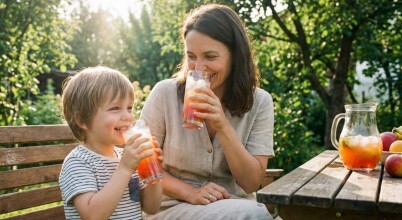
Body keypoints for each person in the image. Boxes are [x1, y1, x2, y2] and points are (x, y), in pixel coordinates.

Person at [141, 4, 274, 220]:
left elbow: (250, 182)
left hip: (236, 205)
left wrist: (222, 125)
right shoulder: (165, 94)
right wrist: (190, 192)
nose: (199, 67)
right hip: (172, 207)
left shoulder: (260, 102)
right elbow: (143, 165)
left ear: (235, 56)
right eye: (191, 56)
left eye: (210, 57)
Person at [59, 65, 163, 219]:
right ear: (82, 120)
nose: (128, 117)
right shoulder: (78, 162)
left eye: (129, 108)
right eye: (115, 108)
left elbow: (151, 208)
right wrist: (125, 168)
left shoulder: (126, 158)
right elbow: (92, 215)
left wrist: (153, 176)